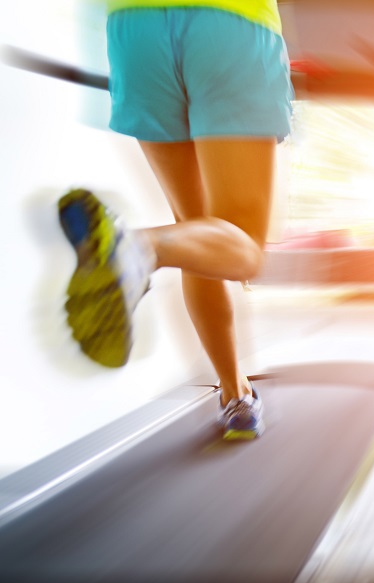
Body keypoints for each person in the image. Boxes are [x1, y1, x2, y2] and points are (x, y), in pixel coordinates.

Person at [58, 0, 293, 439]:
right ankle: (141, 247)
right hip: (231, 23)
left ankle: (235, 394)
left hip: (134, 28)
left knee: (195, 229)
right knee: (243, 247)